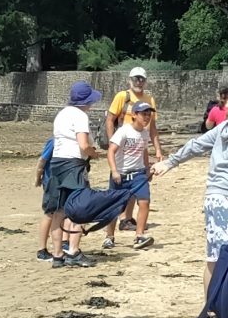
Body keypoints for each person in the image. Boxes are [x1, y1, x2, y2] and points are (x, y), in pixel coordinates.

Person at [155, 81, 228, 285]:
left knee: (214, 258)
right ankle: (222, 303)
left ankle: (211, 303)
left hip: (213, 198)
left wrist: (170, 162)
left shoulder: (225, 126)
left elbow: (196, 145)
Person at [41, 80, 101, 264]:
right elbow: (83, 144)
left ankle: (57, 254)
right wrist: (94, 154)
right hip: (74, 165)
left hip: (57, 163)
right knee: (80, 207)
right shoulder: (80, 116)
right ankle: (73, 251)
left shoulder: (61, 114)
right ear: (86, 101)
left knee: (58, 210)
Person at [109, 99, 162, 248]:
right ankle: (109, 236)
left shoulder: (144, 134)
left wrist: (146, 169)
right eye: (144, 114)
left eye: (149, 115)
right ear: (134, 115)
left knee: (144, 202)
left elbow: (144, 151)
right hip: (121, 174)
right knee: (113, 206)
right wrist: (114, 171)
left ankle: (139, 235)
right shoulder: (124, 131)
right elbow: (111, 151)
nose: (147, 117)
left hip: (138, 174)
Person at [108, 67, 158, 143]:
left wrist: (158, 149)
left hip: (141, 143)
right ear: (130, 80)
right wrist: (111, 142)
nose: (138, 83)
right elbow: (110, 120)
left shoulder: (150, 100)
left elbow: (152, 127)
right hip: (123, 142)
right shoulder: (122, 96)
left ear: (145, 82)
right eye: (135, 79)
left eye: (141, 79)